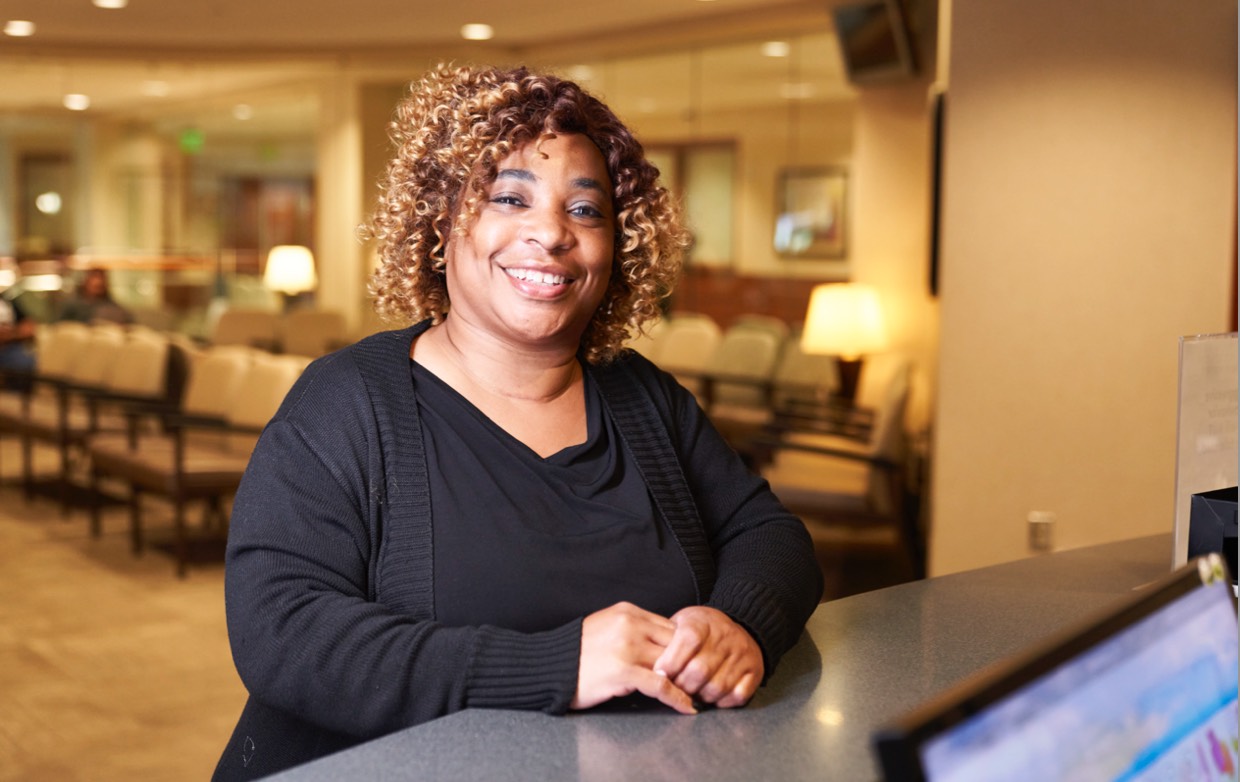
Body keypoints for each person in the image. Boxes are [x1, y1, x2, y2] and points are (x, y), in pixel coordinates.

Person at [213, 63, 823, 780]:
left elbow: (770, 535)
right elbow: (281, 632)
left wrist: (741, 623)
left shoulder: (645, 399)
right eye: (510, 198)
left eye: (586, 210)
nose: (552, 234)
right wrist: (558, 666)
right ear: (442, 223)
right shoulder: (346, 402)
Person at [56, 268, 132, 325]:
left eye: (100, 285)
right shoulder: (72, 305)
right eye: (94, 283)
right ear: (86, 282)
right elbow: (60, 326)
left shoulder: (113, 307)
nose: (98, 283)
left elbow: (129, 322)